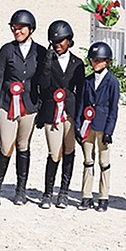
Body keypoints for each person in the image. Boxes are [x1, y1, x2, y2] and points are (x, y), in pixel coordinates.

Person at [0, 9, 46, 207]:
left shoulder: (41, 52)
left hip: (29, 105)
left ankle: (20, 190)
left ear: (31, 29)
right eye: (14, 27)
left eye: (21, 27)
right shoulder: (6, 50)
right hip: (6, 104)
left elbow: (45, 82)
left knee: (23, 146)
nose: (17, 30)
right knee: (5, 146)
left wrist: (43, 108)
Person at [37, 20, 85, 209]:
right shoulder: (47, 61)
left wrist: (79, 118)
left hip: (70, 113)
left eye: (61, 41)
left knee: (69, 151)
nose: (58, 45)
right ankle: (48, 192)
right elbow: (43, 84)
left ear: (69, 41)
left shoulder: (77, 63)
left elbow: (80, 92)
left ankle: (63, 192)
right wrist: (48, 62)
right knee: (53, 153)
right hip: (51, 112)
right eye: (55, 42)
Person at [75, 42, 119, 212]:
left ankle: (103, 196)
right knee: (87, 160)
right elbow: (81, 105)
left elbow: (114, 109)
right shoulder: (87, 81)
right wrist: (79, 126)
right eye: (93, 60)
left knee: (104, 162)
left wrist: (109, 131)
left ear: (107, 61)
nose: (95, 63)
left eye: (99, 60)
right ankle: (86, 196)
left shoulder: (112, 82)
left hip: (103, 126)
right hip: (87, 126)